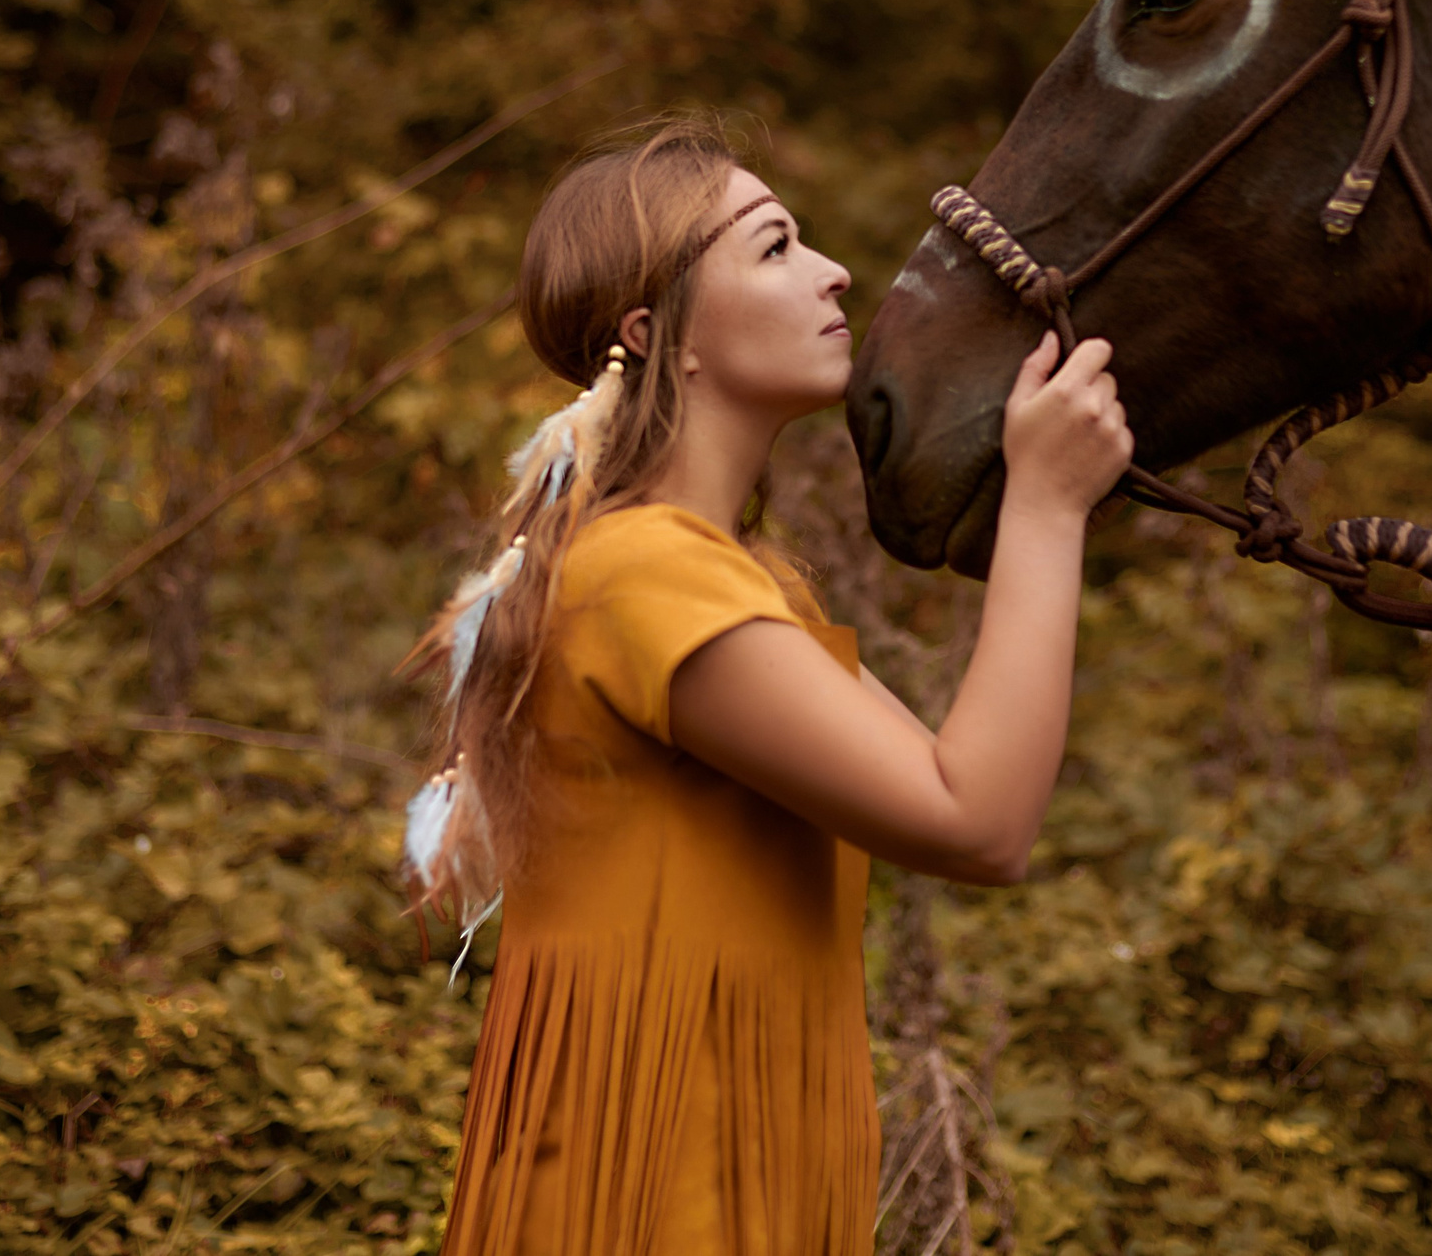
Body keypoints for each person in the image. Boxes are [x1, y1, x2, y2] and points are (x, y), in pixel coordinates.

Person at [404, 116, 1131, 1254]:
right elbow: (979, 820)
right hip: (653, 1189)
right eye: (776, 246)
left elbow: (956, 781)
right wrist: (1046, 506)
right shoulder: (643, 573)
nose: (835, 269)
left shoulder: (735, 578)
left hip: (735, 1162)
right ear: (661, 333)